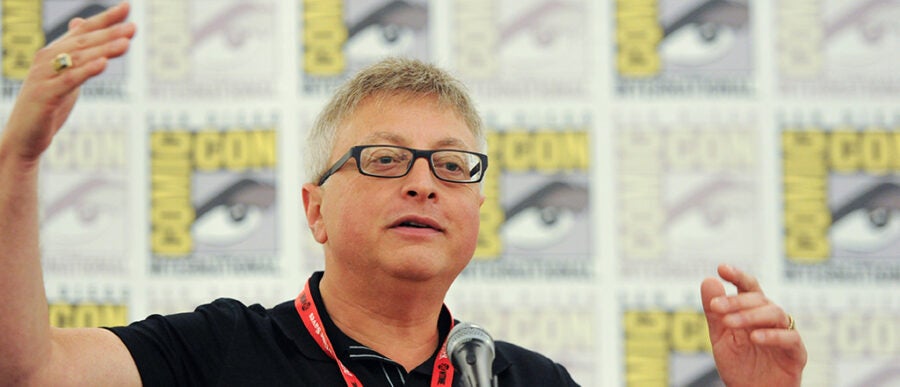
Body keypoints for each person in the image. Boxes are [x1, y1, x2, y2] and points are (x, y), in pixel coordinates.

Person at [0, 3, 806, 386]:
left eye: (453, 165)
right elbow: (28, 370)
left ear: (477, 213)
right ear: (314, 208)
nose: (424, 179)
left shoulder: (523, 380)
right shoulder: (217, 352)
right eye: (384, 159)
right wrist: (20, 162)